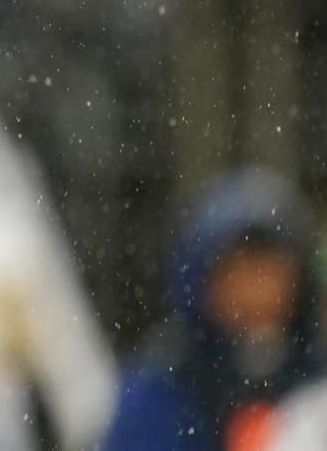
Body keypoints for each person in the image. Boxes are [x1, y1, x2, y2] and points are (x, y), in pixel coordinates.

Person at [103, 169, 320, 451]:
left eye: (269, 272)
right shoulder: (160, 391)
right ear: (201, 282)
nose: (255, 291)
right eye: (237, 271)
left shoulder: (317, 378)